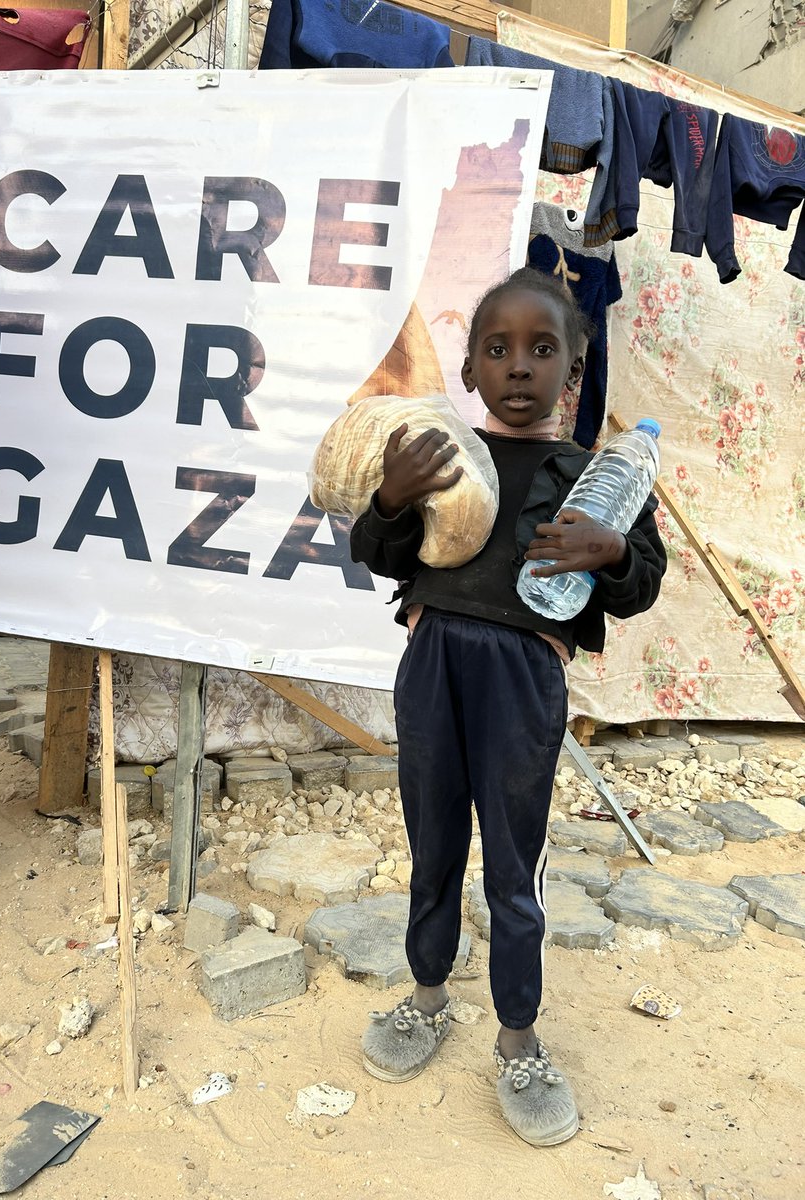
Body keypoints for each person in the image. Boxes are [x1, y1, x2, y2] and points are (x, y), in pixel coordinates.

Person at [349, 266, 666, 1147]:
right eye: (497, 349)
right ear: (470, 371)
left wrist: (609, 548)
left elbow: (641, 580)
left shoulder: (588, 474)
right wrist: (390, 497)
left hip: (524, 680)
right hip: (433, 662)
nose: (518, 367)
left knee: (514, 862)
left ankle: (520, 1035)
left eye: (541, 350)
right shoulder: (449, 458)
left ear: (572, 374)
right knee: (432, 839)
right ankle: (426, 995)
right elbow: (375, 551)